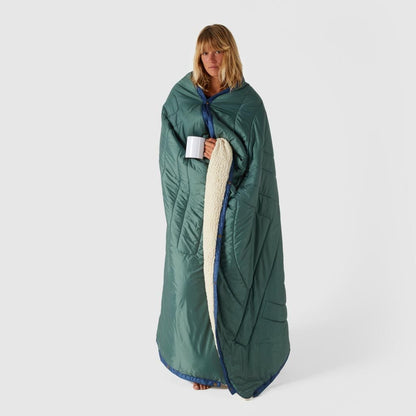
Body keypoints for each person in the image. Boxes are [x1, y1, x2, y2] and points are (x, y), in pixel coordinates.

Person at [156, 24, 290, 399]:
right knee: (191, 281)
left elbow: (258, 163)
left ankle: (231, 364)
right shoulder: (181, 96)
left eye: (218, 51)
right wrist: (202, 151)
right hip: (192, 210)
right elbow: (170, 153)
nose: (211, 59)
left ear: (230, 53)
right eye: (205, 52)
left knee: (231, 279)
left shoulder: (248, 103)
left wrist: (227, 156)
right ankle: (198, 365)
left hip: (234, 209)